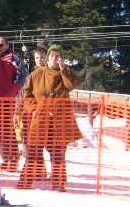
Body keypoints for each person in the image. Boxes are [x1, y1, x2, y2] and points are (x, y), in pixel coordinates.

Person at [17, 45, 82, 192]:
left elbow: (71, 86)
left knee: (58, 153)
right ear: (47, 57)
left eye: (58, 56)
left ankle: (59, 183)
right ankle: (25, 182)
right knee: (33, 152)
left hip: (60, 121)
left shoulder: (66, 74)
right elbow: (26, 96)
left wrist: (64, 70)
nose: (55, 59)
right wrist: (34, 109)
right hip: (40, 119)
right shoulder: (36, 74)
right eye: (52, 55)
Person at [0, 36, 28, 172]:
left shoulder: (13, 57)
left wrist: (13, 90)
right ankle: (6, 159)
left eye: (1, 45)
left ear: (7, 45)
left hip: (7, 99)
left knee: (7, 129)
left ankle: (13, 159)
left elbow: (23, 74)